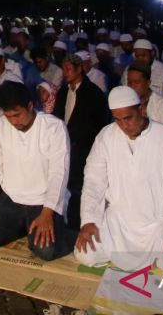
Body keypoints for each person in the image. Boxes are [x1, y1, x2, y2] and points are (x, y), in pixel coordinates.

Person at [73, 86, 163, 272]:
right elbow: (93, 182)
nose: (123, 125)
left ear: (141, 109)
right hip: (118, 224)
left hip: (157, 225)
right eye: (117, 120)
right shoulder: (106, 136)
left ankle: (159, 256)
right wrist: (89, 221)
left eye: (128, 118)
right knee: (84, 253)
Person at [0, 81, 72, 259]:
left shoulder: (54, 128)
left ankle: (63, 231)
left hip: (43, 201)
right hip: (11, 198)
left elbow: (59, 174)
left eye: (17, 115)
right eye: (9, 116)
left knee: (45, 251)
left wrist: (47, 214)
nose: (14, 122)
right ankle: (23, 226)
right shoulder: (0, 126)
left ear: (30, 105)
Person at [50, 53, 108, 226]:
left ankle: (78, 224)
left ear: (80, 69)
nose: (65, 73)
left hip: (83, 150)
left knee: (78, 190)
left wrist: (79, 143)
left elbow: (98, 125)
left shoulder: (94, 93)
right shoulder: (63, 92)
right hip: (64, 146)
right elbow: (57, 118)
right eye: (63, 69)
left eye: (68, 69)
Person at [125, 62, 163, 133]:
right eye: (129, 82)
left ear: (148, 83)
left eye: (137, 82)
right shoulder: (125, 103)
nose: (132, 86)